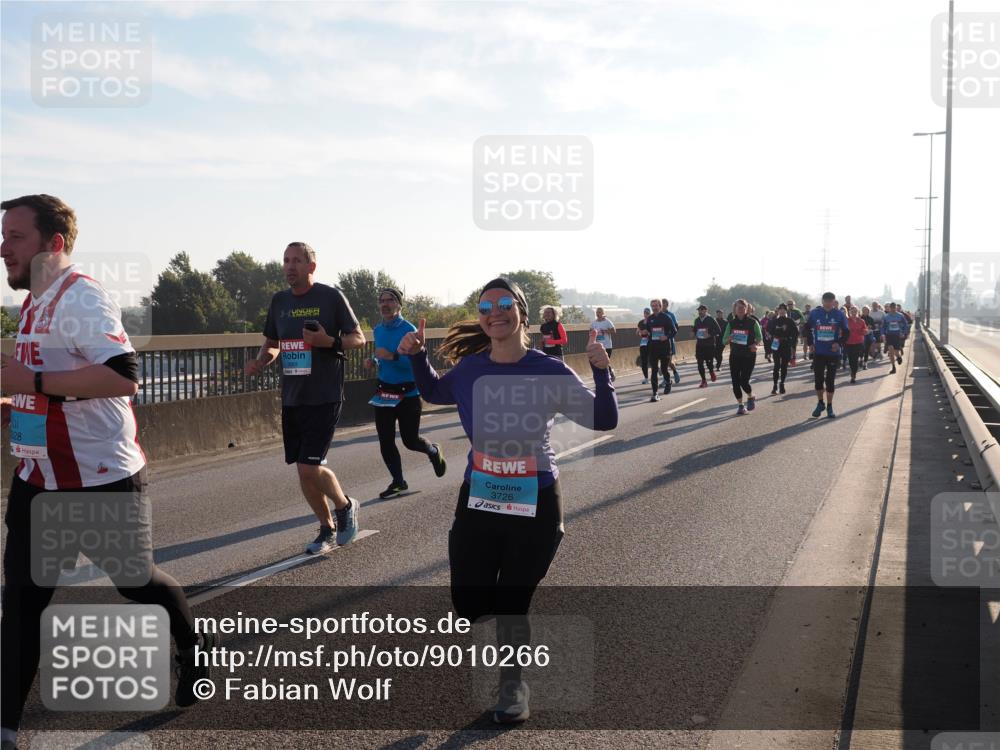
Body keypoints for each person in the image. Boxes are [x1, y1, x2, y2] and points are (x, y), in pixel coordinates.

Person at [0, 195, 214, 750]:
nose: (2, 248)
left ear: (54, 244)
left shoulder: (81, 297)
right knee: (21, 609)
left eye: (15, 237)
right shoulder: (33, 303)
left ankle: (193, 647)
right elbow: (45, 385)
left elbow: (123, 377)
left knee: (137, 583)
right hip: (37, 481)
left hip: (98, 480)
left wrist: (32, 386)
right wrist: (15, 403)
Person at [398, 277, 618, 724]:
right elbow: (436, 391)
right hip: (480, 496)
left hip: (535, 498)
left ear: (522, 311)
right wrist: (418, 356)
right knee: (471, 603)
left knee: (512, 601)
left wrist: (601, 370)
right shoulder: (472, 368)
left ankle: (512, 686)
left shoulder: (549, 370)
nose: (493, 312)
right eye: (484, 307)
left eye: (502, 303)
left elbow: (603, 418)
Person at [245, 242, 365, 554]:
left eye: (297, 260)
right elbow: (272, 343)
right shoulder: (279, 301)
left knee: (309, 467)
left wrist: (329, 341)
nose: (290, 266)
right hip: (292, 397)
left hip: (324, 395)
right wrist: (261, 360)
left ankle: (345, 504)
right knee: (303, 469)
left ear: (311, 266)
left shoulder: (330, 296)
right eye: (286, 260)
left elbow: (358, 338)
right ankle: (326, 528)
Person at [364, 288, 446, 499]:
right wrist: (373, 361)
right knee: (385, 440)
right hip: (384, 392)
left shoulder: (409, 330)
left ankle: (433, 451)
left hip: (408, 393)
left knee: (410, 440)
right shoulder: (378, 330)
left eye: (390, 300)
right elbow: (381, 356)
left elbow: (414, 365)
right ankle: (398, 482)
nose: (385, 304)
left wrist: (391, 356)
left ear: (399, 305)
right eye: (381, 300)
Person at [803, 292, 850, 418]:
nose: (828, 304)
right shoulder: (815, 313)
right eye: (826, 301)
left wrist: (839, 343)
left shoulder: (839, 314)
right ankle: (820, 403)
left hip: (833, 353)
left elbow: (846, 332)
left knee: (830, 381)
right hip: (818, 352)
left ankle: (829, 406)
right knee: (818, 380)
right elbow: (806, 328)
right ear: (822, 301)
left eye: (831, 301)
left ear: (834, 302)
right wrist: (811, 343)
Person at [722, 299, 762, 415]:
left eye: (742, 307)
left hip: (749, 355)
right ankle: (740, 405)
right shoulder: (731, 323)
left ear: (746, 309)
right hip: (735, 355)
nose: (740, 309)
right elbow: (723, 341)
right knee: (735, 382)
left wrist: (755, 344)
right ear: (734, 309)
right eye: (738, 307)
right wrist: (728, 339)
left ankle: (750, 396)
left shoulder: (752, 322)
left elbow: (760, 337)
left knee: (744, 381)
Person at [646, 298, 677, 402]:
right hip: (653, 348)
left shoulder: (666, 317)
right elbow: (648, 331)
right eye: (652, 306)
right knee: (654, 370)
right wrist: (646, 334)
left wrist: (666, 337)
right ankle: (655, 393)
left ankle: (668, 382)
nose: (654, 308)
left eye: (656, 306)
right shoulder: (649, 319)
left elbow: (674, 331)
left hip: (664, 347)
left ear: (660, 306)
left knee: (664, 369)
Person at [767, 304, 798, 394]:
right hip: (776, 344)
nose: (781, 311)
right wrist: (772, 339)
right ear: (778, 311)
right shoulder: (774, 321)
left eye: (783, 309)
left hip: (786, 344)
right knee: (776, 366)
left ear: (786, 311)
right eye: (780, 309)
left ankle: (782, 384)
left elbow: (795, 334)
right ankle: (775, 385)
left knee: (784, 366)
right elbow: (769, 331)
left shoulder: (790, 321)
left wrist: (793, 346)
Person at [692, 304, 721, 388]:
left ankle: (711, 372)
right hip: (700, 345)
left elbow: (718, 331)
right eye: (699, 310)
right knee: (699, 363)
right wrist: (693, 333)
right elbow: (695, 329)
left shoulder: (710, 319)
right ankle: (704, 381)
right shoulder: (697, 320)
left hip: (709, 345)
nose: (699, 312)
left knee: (709, 363)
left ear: (705, 310)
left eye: (701, 310)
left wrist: (710, 335)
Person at [881, 302, 909, 375]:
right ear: (889, 308)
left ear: (896, 308)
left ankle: (899, 357)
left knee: (896, 352)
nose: (893, 309)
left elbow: (905, 325)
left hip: (897, 335)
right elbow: (883, 326)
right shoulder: (886, 317)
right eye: (891, 307)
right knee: (890, 351)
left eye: (894, 307)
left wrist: (904, 333)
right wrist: (883, 334)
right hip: (889, 335)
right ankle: (893, 367)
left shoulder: (900, 316)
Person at [590, 307, 616, 382]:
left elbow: (614, 330)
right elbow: (590, 332)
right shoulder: (594, 323)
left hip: (607, 345)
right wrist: (592, 333)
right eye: (597, 312)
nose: (598, 314)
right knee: (602, 362)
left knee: (606, 362)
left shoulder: (607, 322)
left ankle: (609, 375)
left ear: (603, 313)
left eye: (599, 312)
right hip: (598, 346)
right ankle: (608, 374)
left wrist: (605, 331)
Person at [845, 306, 867, 384]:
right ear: (849, 313)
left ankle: (853, 375)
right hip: (848, 343)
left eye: (855, 311)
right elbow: (843, 330)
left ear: (857, 312)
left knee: (855, 359)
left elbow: (865, 329)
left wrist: (864, 331)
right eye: (852, 311)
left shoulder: (861, 321)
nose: (853, 313)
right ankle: (853, 372)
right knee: (851, 360)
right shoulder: (846, 321)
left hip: (858, 342)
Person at [661, 299, 681, 386]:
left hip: (669, 341)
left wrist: (668, 335)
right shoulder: (656, 316)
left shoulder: (671, 315)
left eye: (663, 304)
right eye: (660, 304)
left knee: (668, 362)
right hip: (658, 342)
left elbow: (676, 327)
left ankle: (675, 372)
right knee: (662, 362)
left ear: (666, 305)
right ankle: (666, 379)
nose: (662, 306)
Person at [636, 307, 652, 384]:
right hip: (643, 343)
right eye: (645, 313)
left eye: (647, 313)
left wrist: (648, 333)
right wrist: (641, 333)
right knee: (644, 361)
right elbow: (637, 332)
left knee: (652, 359)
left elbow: (656, 331)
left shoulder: (652, 321)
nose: (646, 314)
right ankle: (646, 378)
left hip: (651, 342)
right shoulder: (641, 322)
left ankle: (656, 372)